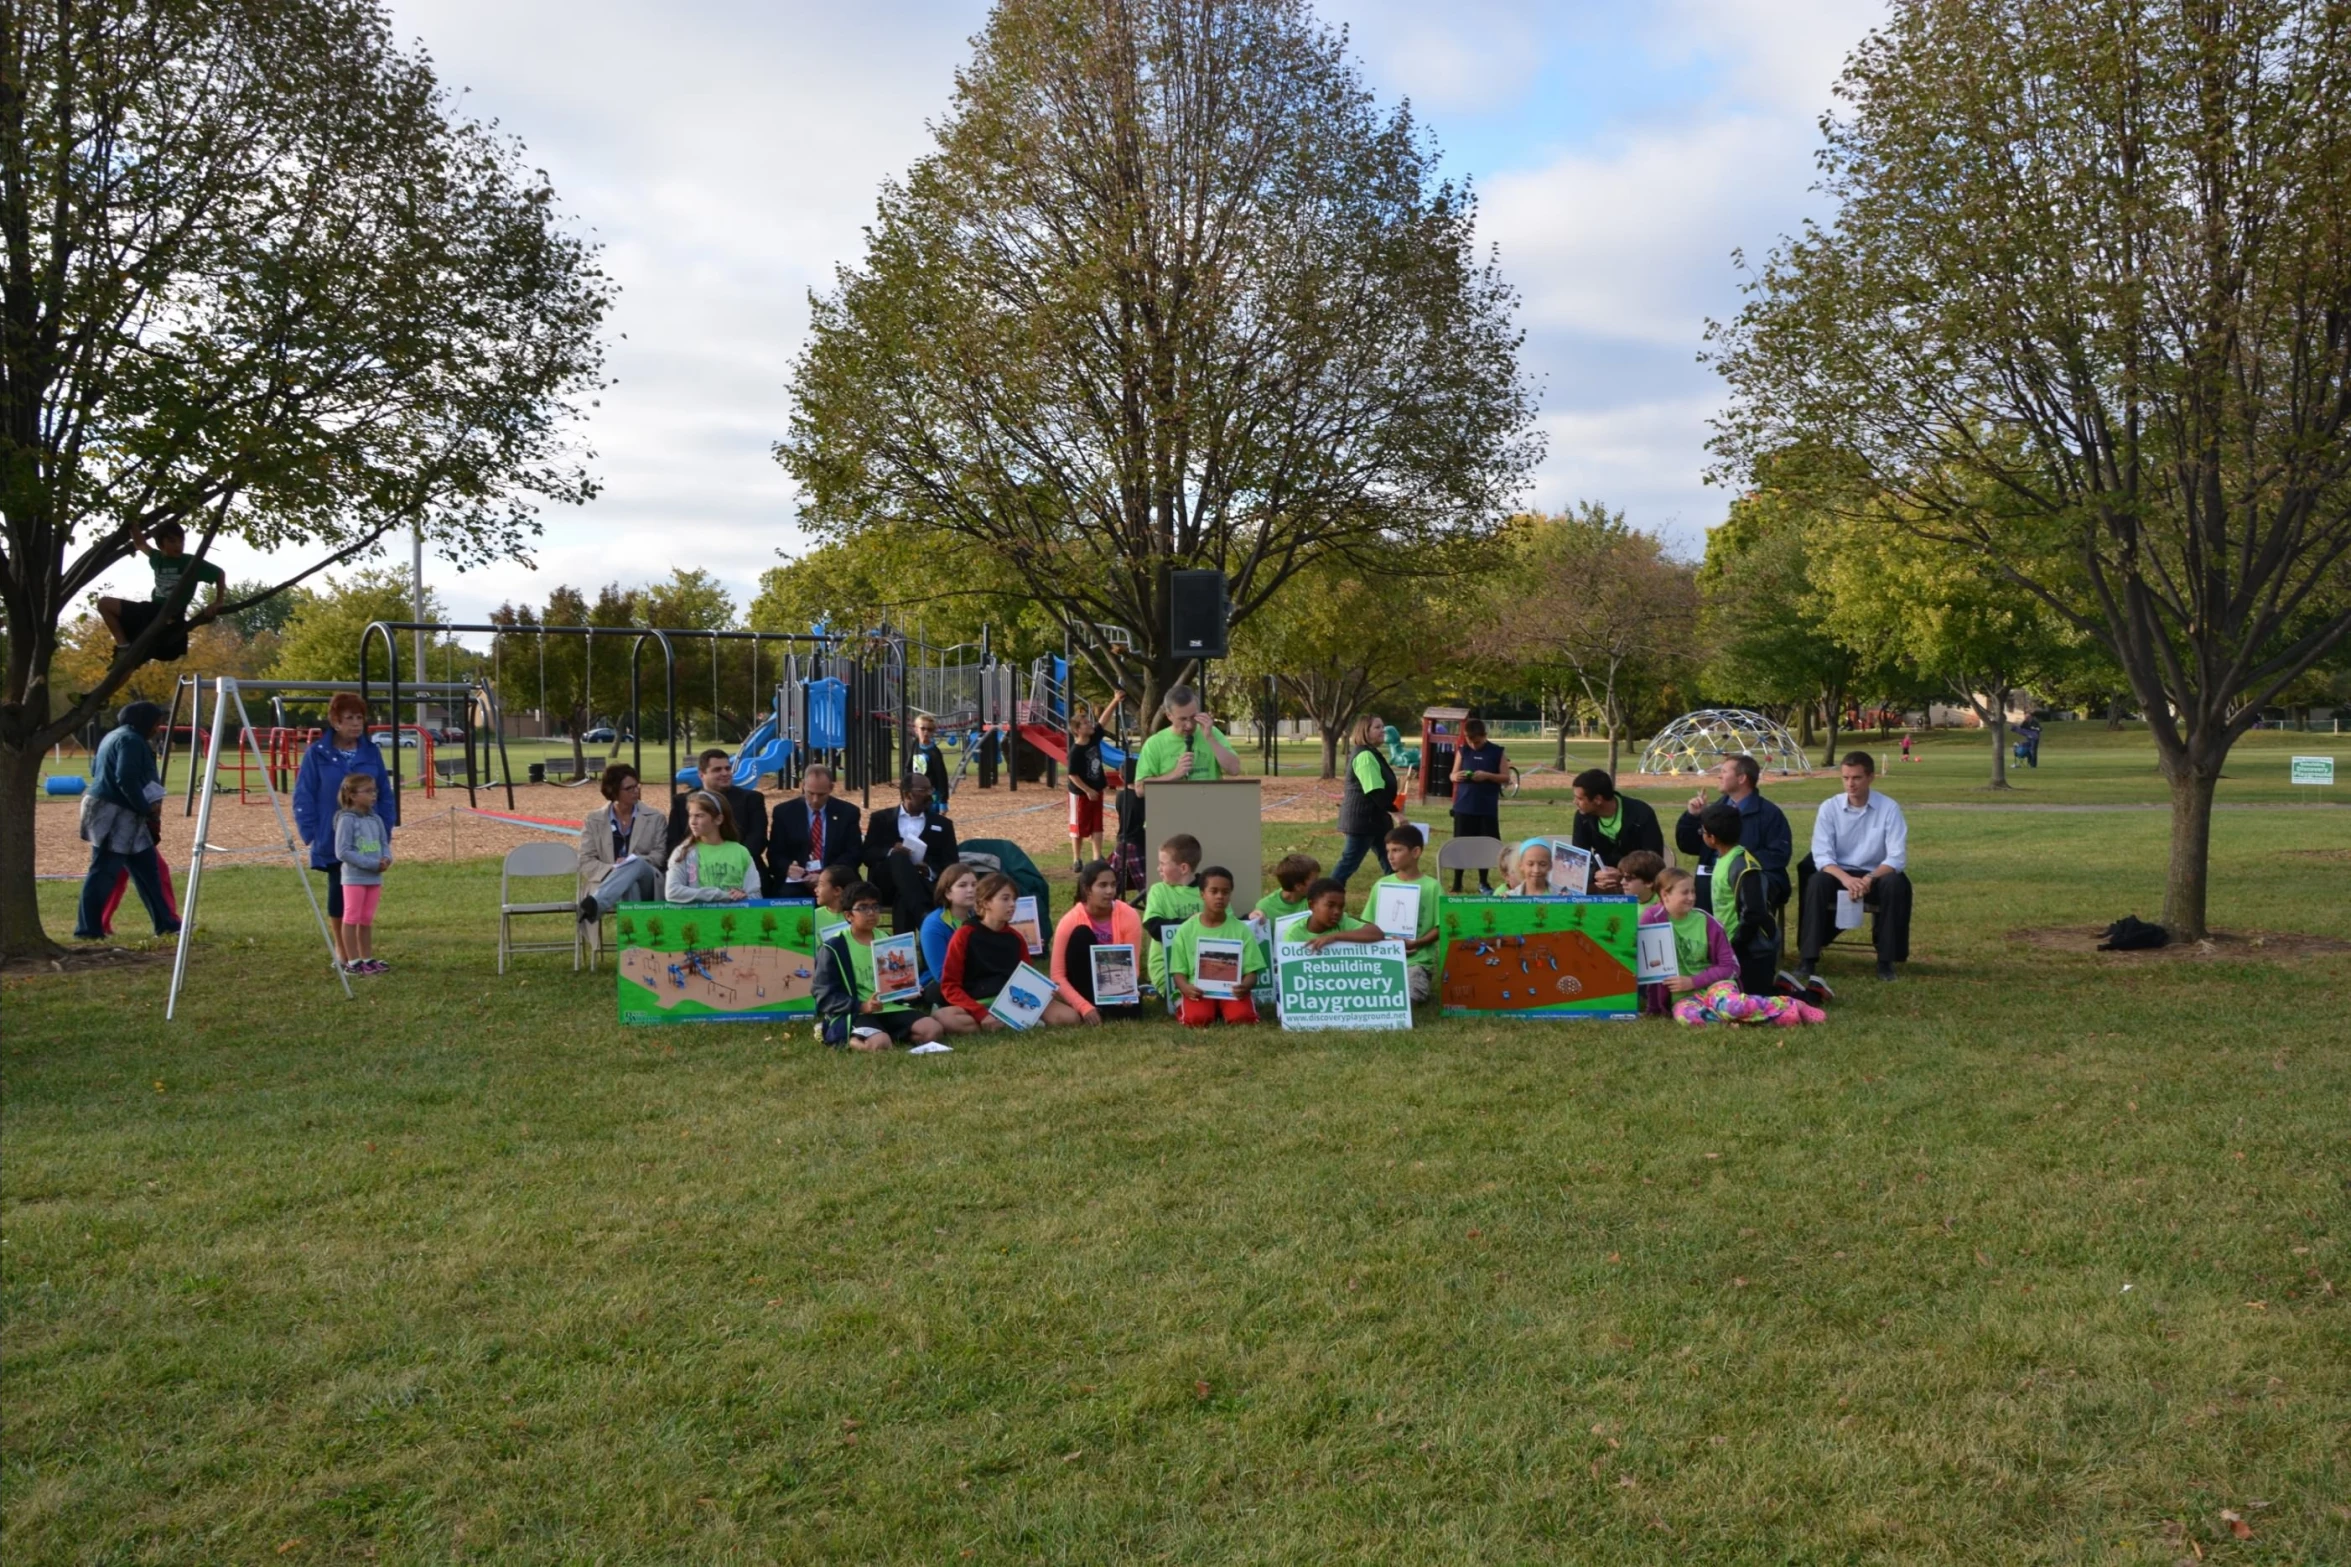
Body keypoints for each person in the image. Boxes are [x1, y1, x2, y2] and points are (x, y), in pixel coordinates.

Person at [292, 692, 398, 968]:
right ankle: (343, 952)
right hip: (333, 832)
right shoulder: (317, 754)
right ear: (335, 722)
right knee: (339, 890)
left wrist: (385, 827)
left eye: (359, 717)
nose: (355, 724)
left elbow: (384, 793)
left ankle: (363, 955)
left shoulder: (370, 752)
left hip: (368, 833)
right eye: (349, 718)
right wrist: (311, 832)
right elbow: (304, 793)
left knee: (366, 892)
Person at [1794, 751, 1913, 984]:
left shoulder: (1889, 808)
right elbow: (1822, 855)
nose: (1850, 784)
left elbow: (1896, 857)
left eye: (1857, 778)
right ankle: (1808, 958)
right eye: (1846, 778)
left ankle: (1886, 961)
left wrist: (1869, 879)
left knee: (1896, 884)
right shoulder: (1829, 808)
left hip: (1876, 874)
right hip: (1839, 872)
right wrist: (1847, 879)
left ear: (1870, 777)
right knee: (1816, 882)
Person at [73, 701, 181, 941]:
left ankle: (166, 923)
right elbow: (125, 778)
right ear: (143, 721)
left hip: (120, 812)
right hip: (114, 813)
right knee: (103, 871)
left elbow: (95, 770)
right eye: (156, 721)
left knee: (148, 869)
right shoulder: (131, 741)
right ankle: (87, 929)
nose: (158, 726)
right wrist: (145, 808)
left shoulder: (114, 736)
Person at [815, 881, 948, 1051]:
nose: (871, 913)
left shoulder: (886, 940)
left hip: (888, 1007)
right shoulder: (834, 947)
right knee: (880, 1044)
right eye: (863, 908)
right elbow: (823, 995)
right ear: (849, 916)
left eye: (875, 907)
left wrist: (906, 991)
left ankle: (883, 1035)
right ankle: (843, 1038)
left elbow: (893, 981)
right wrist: (861, 1006)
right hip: (857, 1011)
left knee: (933, 1030)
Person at [939, 871, 1081, 1031]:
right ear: (986, 902)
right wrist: (980, 1014)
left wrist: (1042, 988)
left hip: (1013, 1001)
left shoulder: (1016, 938)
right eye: (1005, 899)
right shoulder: (964, 935)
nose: (1012, 904)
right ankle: (1001, 1022)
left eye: (1014, 899)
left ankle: (1006, 1021)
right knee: (945, 1017)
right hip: (976, 1002)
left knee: (1070, 1017)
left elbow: (1027, 979)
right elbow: (950, 985)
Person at [1674, 754, 1792, 914]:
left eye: (1724, 771)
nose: (1719, 775)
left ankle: (1739, 936)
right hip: (1710, 878)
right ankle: (1707, 935)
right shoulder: (1714, 811)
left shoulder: (1769, 814)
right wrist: (1692, 817)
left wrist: (1736, 866)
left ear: (1742, 778)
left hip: (1749, 879)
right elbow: (1688, 845)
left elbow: (1778, 855)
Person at [96, 522, 225, 664]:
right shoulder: (157, 559)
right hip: (151, 611)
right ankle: (123, 646)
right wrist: (132, 521)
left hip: (173, 616)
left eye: (181, 541)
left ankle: (130, 652)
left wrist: (218, 602)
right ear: (160, 544)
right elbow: (140, 544)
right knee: (104, 604)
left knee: (137, 657)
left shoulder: (191, 562)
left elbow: (219, 574)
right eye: (172, 541)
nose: (178, 545)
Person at [858, 774, 959, 934]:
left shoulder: (943, 824)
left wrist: (930, 870)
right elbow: (867, 855)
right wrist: (891, 851)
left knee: (904, 897)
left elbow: (952, 863)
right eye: (923, 790)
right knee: (898, 857)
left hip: (924, 884)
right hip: (885, 885)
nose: (929, 794)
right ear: (907, 794)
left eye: (930, 789)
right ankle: (923, 917)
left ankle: (906, 954)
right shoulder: (881, 819)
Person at [1166, 866, 1267, 1026]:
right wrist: (1186, 988)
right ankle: (1189, 1006)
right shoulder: (1186, 930)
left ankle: (1228, 1008)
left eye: (1225, 892)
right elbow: (1178, 972)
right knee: (1197, 1020)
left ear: (1230, 895)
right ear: (1202, 894)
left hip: (1231, 990)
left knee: (1242, 1019)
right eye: (1214, 891)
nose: (1220, 897)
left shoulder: (1241, 930)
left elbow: (1252, 972)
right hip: (1199, 991)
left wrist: (1245, 986)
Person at [1698, 802, 1780, 994]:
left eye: (1702, 830)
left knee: (1755, 999)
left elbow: (1754, 912)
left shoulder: (1743, 865)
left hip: (1751, 951)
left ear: (1712, 838)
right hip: (1731, 948)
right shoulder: (1723, 858)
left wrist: (1737, 945)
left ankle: (1805, 993)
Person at [1050, 859, 1146, 1021]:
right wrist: (1083, 1006)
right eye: (1102, 885)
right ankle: (1091, 1006)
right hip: (1082, 981)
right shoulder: (1070, 920)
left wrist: (1126, 991)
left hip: (1114, 981)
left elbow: (1133, 967)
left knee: (1133, 1011)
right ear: (1088, 890)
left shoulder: (1129, 915)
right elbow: (1057, 976)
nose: (1110, 891)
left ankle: (1106, 1005)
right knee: (1081, 934)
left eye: (1113, 885)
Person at [577, 763, 669, 926]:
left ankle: (596, 903)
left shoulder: (655, 818)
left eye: (637, 786)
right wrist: (614, 869)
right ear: (613, 792)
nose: (636, 791)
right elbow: (586, 860)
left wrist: (629, 864)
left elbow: (660, 856)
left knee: (635, 863)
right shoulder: (594, 820)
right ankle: (635, 943)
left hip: (648, 882)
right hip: (607, 881)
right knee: (630, 885)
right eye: (629, 788)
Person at [1637, 867, 1734, 1017]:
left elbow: (1728, 966)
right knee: (1689, 1017)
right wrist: (1653, 1009)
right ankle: (1733, 1017)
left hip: (1715, 986)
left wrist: (1693, 981)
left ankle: (1780, 1008)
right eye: (1685, 892)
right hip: (1684, 998)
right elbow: (1652, 972)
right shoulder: (1652, 919)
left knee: (1733, 1006)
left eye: (1693, 891)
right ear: (1665, 894)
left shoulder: (1708, 922)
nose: (1691, 897)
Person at [667, 749, 767, 882]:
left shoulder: (751, 799)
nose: (725, 773)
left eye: (727, 768)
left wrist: (731, 863)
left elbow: (757, 839)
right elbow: (674, 841)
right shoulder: (682, 802)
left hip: (743, 865)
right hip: (695, 867)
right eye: (717, 770)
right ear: (701, 774)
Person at [1369, 824, 1443, 1002]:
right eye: (1388, 850)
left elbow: (1441, 927)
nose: (1390, 856)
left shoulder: (1432, 887)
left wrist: (1416, 942)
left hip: (1416, 961)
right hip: (1383, 958)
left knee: (1407, 998)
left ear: (1415, 852)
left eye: (1397, 850)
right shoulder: (1381, 885)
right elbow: (1368, 924)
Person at [328, 773, 392, 974]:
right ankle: (352, 961)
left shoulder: (376, 819)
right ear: (353, 795)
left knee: (366, 919)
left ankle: (367, 957)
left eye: (374, 791)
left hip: (374, 878)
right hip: (354, 878)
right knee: (352, 916)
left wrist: (386, 859)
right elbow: (343, 851)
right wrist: (371, 863)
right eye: (368, 791)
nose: (373, 795)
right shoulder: (346, 820)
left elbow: (384, 844)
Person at [767, 763, 861, 895]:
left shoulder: (847, 813)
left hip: (835, 877)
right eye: (810, 793)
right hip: (798, 879)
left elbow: (853, 853)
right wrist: (788, 868)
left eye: (821, 794)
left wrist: (826, 876)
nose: (815, 800)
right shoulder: (784, 812)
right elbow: (775, 853)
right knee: (787, 895)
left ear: (831, 788)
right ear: (803, 786)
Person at [1566, 769, 1665, 891]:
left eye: (1579, 798)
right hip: (1600, 883)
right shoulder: (1583, 817)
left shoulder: (1641, 814)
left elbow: (1654, 859)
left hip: (1638, 885)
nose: (1574, 802)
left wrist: (1623, 875)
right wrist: (1597, 874)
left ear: (1597, 799)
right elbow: (1579, 856)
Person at [1332, 712, 1401, 887]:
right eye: (1377, 727)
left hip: (1377, 821)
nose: (1382, 731)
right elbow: (1375, 790)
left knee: (1392, 863)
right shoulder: (1364, 755)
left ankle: (1401, 897)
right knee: (1348, 864)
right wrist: (1397, 813)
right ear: (1365, 731)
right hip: (1363, 822)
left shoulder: (1372, 753)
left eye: (1382, 727)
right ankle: (1323, 898)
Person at [1132, 684, 1240, 787]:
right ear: (1169, 715)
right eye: (1182, 719)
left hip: (1208, 803)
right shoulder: (1155, 743)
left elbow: (1234, 770)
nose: (1189, 725)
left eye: (1193, 717)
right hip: (1172, 804)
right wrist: (1174, 774)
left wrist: (1210, 738)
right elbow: (1140, 788)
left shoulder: (1211, 732)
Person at [1447, 717, 1507, 892]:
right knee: (1460, 844)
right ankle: (1457, 881)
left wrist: (1487, 776)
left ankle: (1483, 881)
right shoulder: (1463, 751)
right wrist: (1456, 777)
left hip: (1486, 807)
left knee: (1486, 845)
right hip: (1463, 806)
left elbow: (1505, 777)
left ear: (1485, 736)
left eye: (1477, 742)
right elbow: (1452, 774)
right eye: (1469, 741)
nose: (1473, 745)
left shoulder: (1497, 752)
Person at [665, 790, 754, 903]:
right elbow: (672, 892)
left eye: (699, 816)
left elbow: (755, 895)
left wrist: (742, 895)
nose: (692, 822)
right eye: (691, 815)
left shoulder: (741, 852)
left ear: (718, 819)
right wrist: (720, 895)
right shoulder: (683, 852)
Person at [1141, 832, 1203, 993]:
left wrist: (1249, 918)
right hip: (1166, 970)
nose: (1158, 868)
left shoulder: (1209, 890)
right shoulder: (1158, 891)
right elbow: (1154, 927)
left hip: (1203, 969)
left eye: (1163, 864)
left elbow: (1228, 925)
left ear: (1183, 868)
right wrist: (1192, 924)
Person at [920, 863, 980, 984]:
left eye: (974, 885)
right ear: (948, 893)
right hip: (942, 984)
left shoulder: (980, 917)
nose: (971, 890)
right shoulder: (934, 924)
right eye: (962, 885)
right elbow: (941, 975)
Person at [1293, 876, 1387, 952]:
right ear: (1312, 905)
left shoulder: (1343, 922)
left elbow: (1376, 933)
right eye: (1330, 905)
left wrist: (1335, 937)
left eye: (1341, 907)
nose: (1337, 912)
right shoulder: (1295, 933)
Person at [1065, 711, 1109, 870]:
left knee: (1097, 825)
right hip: (1080, 795)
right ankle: (1077, 859)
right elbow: (1072, 775)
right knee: (1078, 827)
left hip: (1097, 791)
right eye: (1085, 723)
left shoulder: (1094, 739)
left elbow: (1103, 721)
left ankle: (1097, 856)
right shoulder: (1075, 751)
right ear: (1077, 730)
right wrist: (1088, 790)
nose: (1090, 725)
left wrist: (1116, 700)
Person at [1253, 853, 1319, 930]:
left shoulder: (1317, 899)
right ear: (1298, 887)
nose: (1319, 883)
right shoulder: (1265, 908)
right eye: (1315, 881)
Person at [907, 714, 952, 800]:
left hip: (931, 794)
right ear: (916, 729)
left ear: (933, 731)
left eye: (929, 729)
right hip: (916, 792)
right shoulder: (914, 745)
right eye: (923, 728)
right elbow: (908, 767)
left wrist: (943, 800)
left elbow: (941, 776)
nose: (926, 732)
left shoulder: (934, 752)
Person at [813, 865, 855, 941]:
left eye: (821, 885)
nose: (815, 890)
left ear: (837, 891)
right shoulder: (813, 917)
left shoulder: (857, 917)